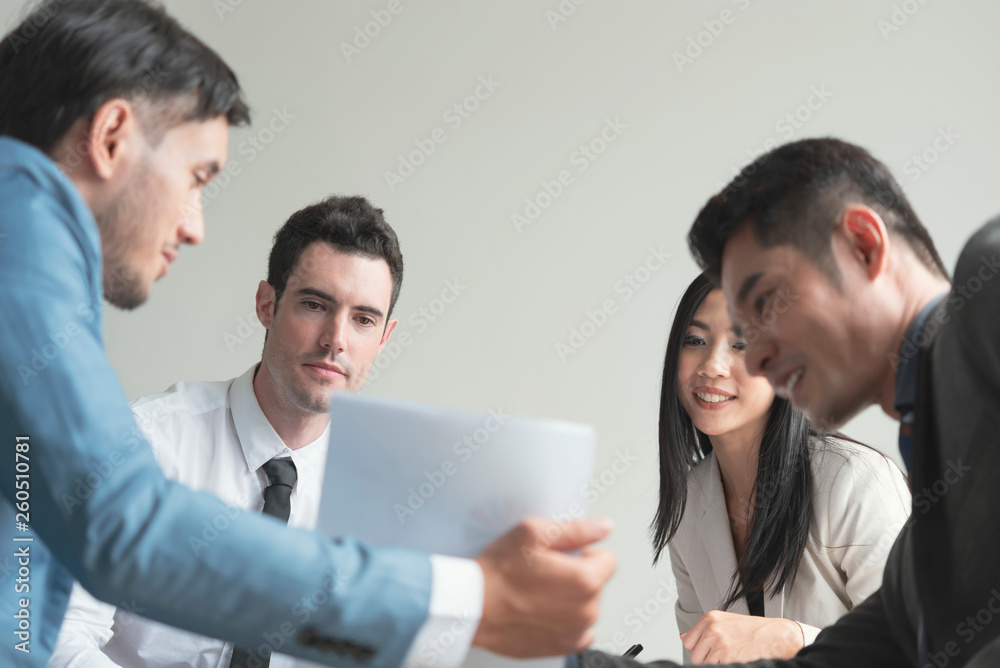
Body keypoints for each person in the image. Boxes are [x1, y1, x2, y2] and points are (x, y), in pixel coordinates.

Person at [0, 2, 616, 667]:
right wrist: (472, 599)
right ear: (112, 135)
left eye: (364, 318)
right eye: (196, 178)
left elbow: (23, 611)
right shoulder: (20, 233)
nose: (194, 226)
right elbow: (122, 526)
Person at [579, 138, 1000, 667]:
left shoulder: (989, 292)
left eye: (765, 306)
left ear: (863, 246)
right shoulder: (917, 548)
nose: (755, 359)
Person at [50, 195, 398, 667]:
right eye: (315, 305)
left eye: (363, 320)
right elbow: (56, 633)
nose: (336, 339)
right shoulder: (142, 446)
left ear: (384, 337)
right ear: (267, 305)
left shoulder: (382, 502)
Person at [652, 273, 909, 664]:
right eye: (695, 340)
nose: (712, 365)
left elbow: (914, 647)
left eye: (742, 344)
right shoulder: (688, 504)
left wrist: (792, 640)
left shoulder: (854, 481)